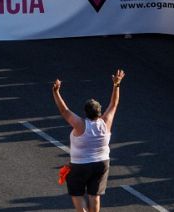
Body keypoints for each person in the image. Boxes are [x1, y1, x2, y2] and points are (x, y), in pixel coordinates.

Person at [51, 71, 124, 212]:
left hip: (80, 165)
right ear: (100, 112)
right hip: (102, 163)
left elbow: (64, 111)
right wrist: (117, 84)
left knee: (77, 193)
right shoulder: (106, 123)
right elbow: (114, 104)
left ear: (85, 112)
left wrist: (56, 92)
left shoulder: (81, 125)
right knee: (94, 194)